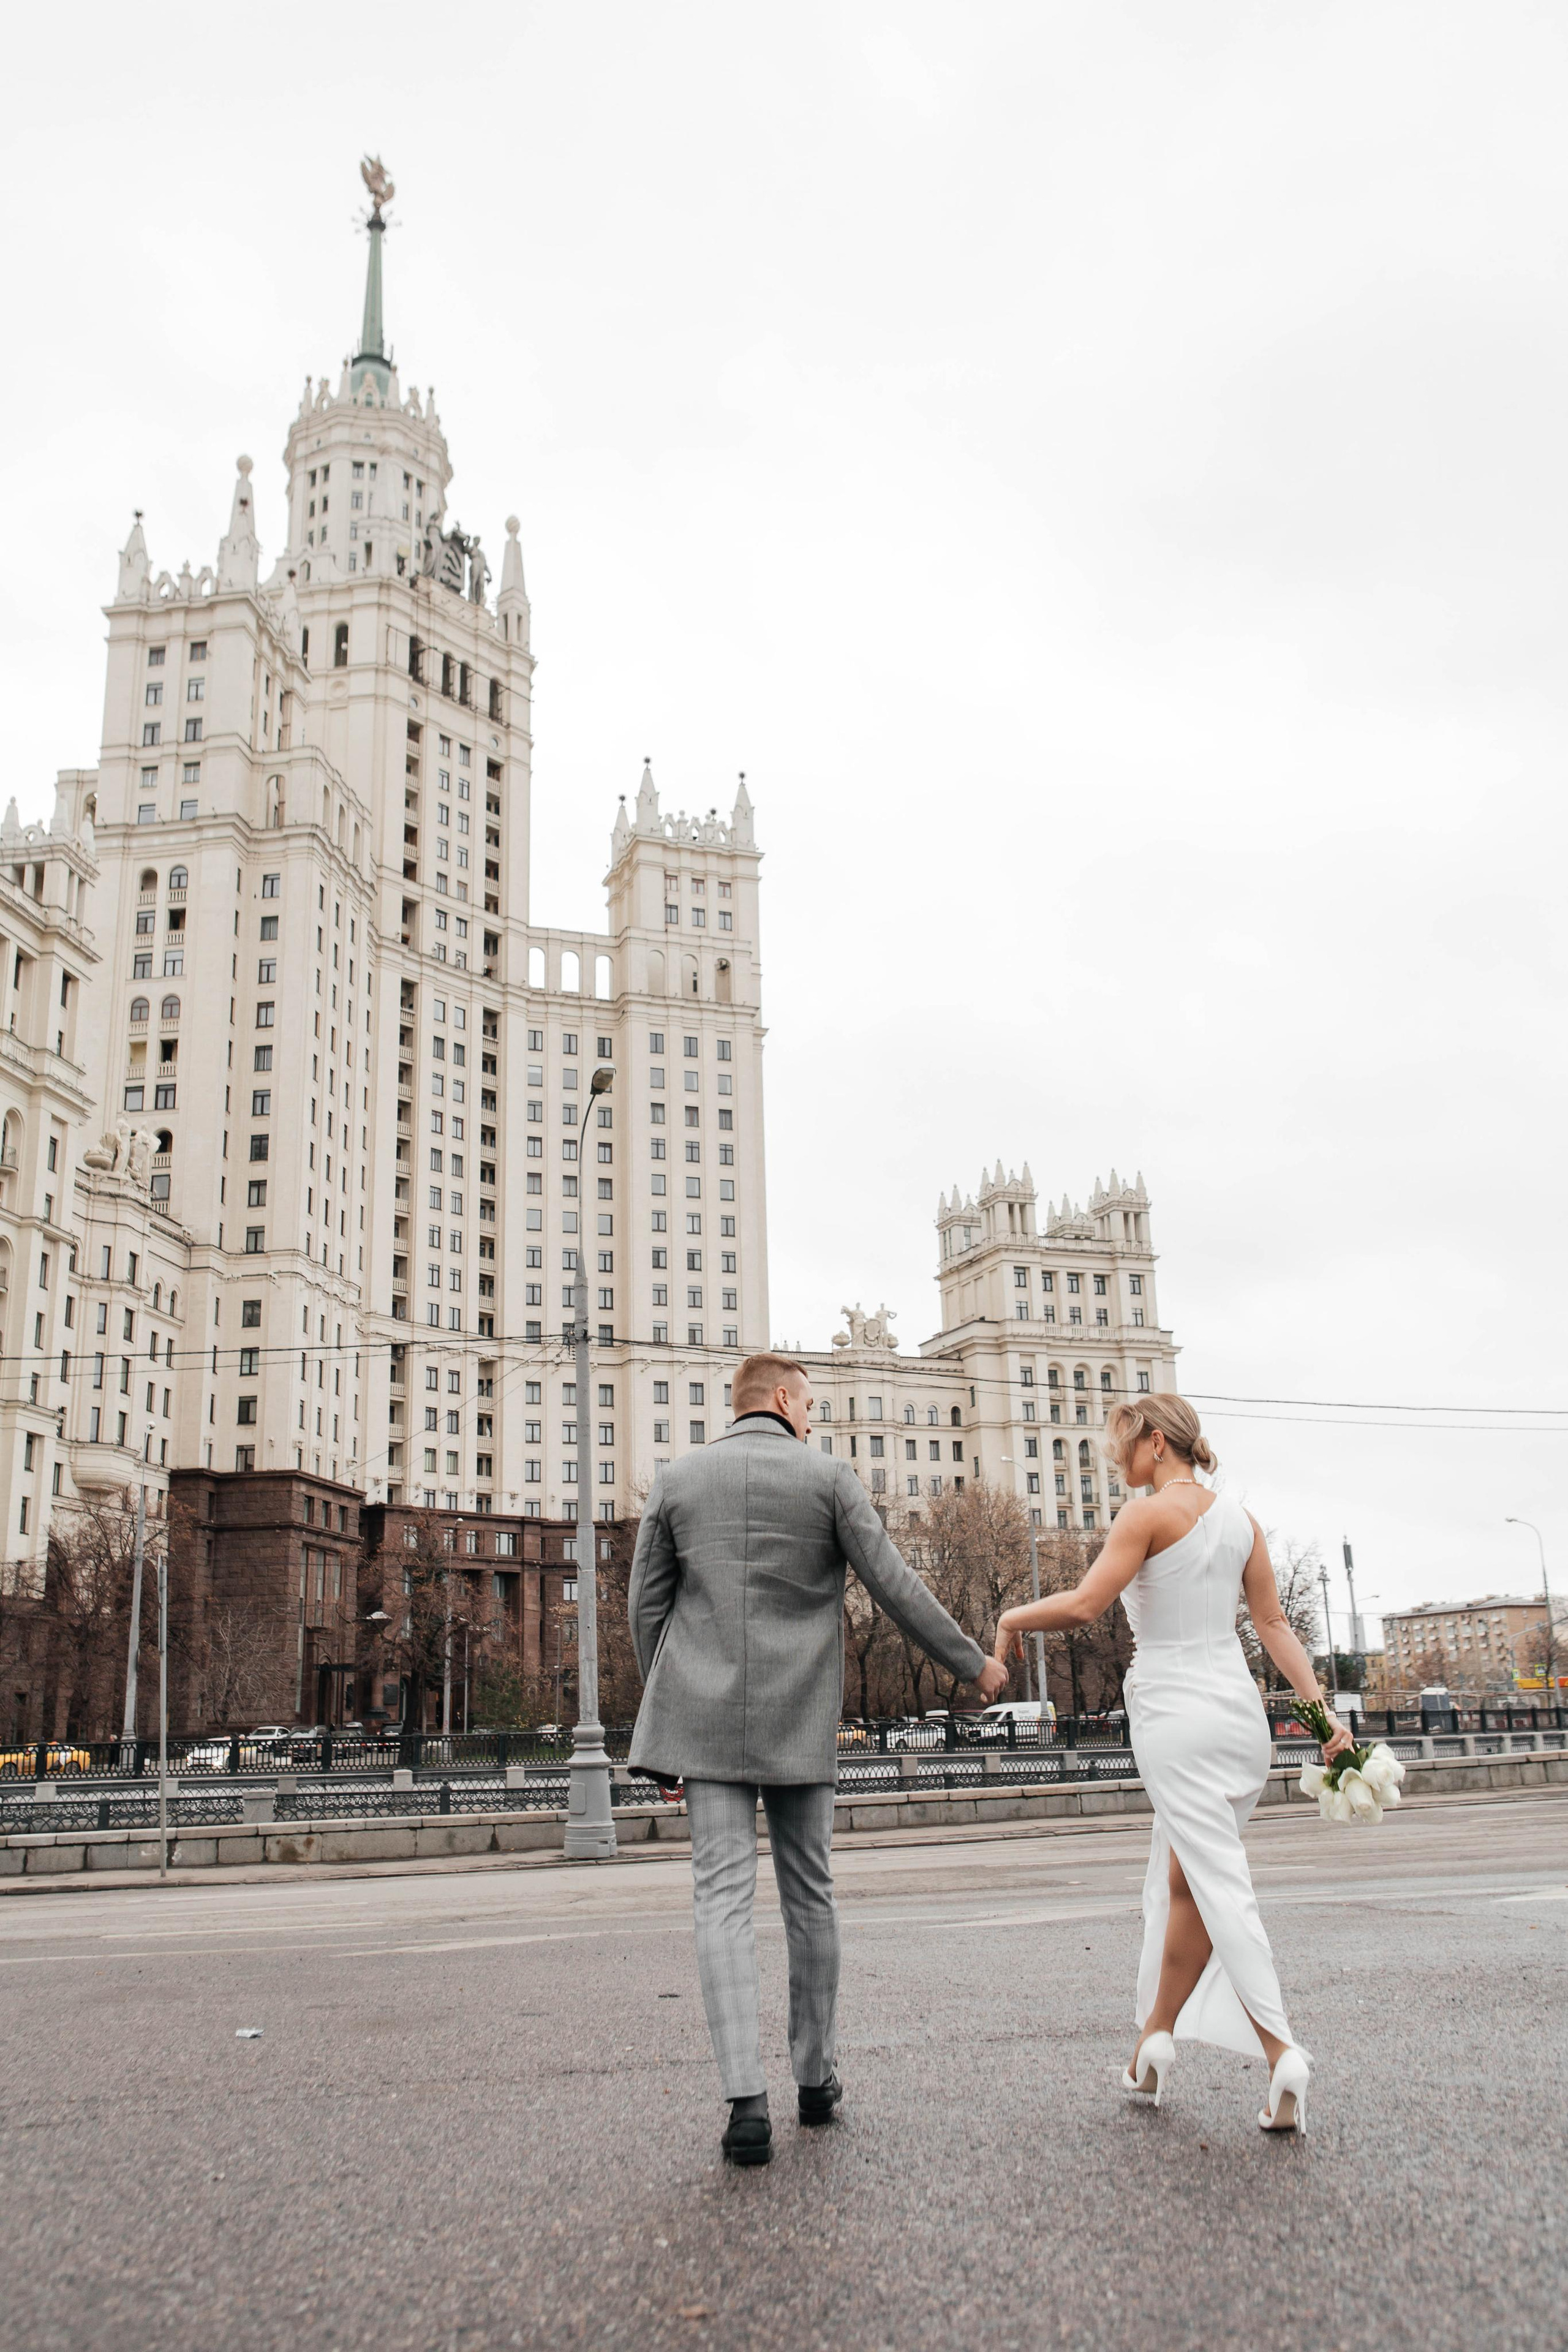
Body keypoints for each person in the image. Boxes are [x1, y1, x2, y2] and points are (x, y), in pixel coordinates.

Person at [629, 1351, 1008, 2166]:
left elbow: (645, 1608)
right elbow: (897, 1587)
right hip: (799, 1717)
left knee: (721, 1904)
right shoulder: (829, 1479)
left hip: (702, 1721)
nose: (813, 1420)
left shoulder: (678, 1480)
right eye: (809, 1406)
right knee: (811, 1897)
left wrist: (668, 1717)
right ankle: (815, 2079)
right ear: (779, 1400)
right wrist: (973, 1663)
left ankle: (745, 2106)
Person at [993, 1393, 1351, 2137]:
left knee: (1217, 1884)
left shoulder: (1147, 1515)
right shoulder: (1241, 1523)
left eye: (1121, 1446)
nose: (1113, 1461)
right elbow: (1274, 1628)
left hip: (1176, 1713)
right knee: (1186, 1879)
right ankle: (1153, 2042)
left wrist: (1009, 1619)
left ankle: (1282, 2051)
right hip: (1238, 1718)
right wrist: (1321, 1720)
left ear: (1156, 1444)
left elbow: (1088, 1604)